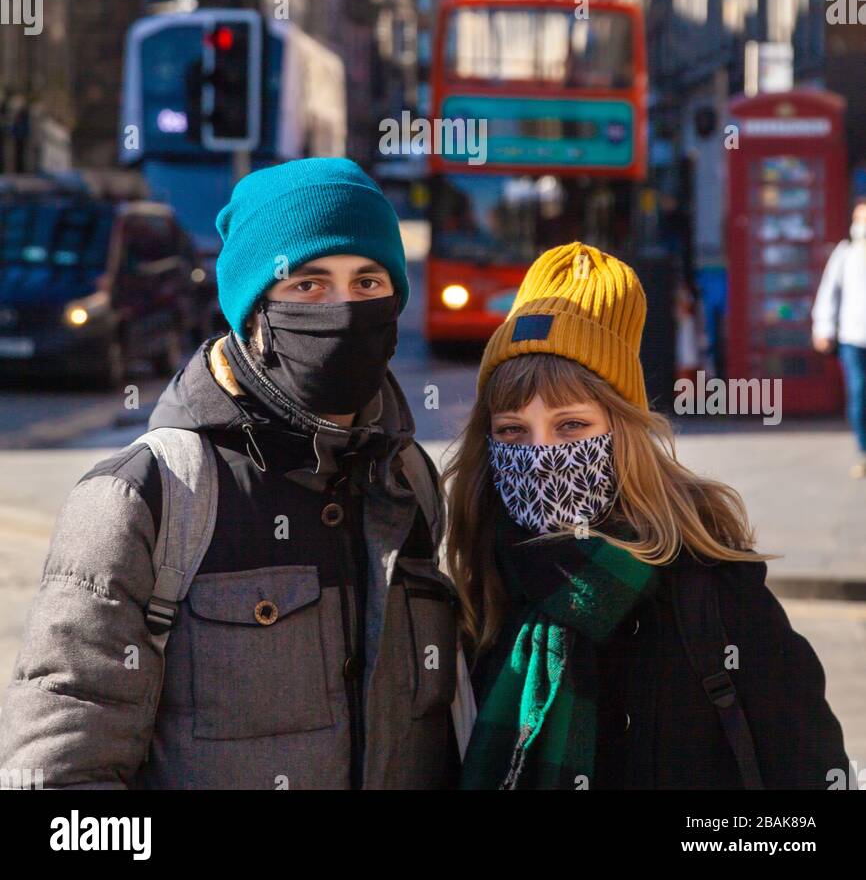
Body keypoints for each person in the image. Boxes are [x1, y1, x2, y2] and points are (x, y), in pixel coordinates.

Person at [0, 157, 459, 790]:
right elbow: (58, 784)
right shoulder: (148, 498)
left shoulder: (407, 480)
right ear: (253, 316)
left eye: (369, 281)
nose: (345, 307)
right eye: (308, 284)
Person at [445, 241, 849, 791]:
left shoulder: (712, 589)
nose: (540, 455)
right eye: (513, 431)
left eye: (571, 427)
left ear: (624, 431)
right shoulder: (478, 588)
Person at [812, 197, 866, 478]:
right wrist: (823, 328)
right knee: (858, 393)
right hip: (852, 336)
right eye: (860, 220)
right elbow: (828, 292)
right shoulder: (845, 254)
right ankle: (863, 451)